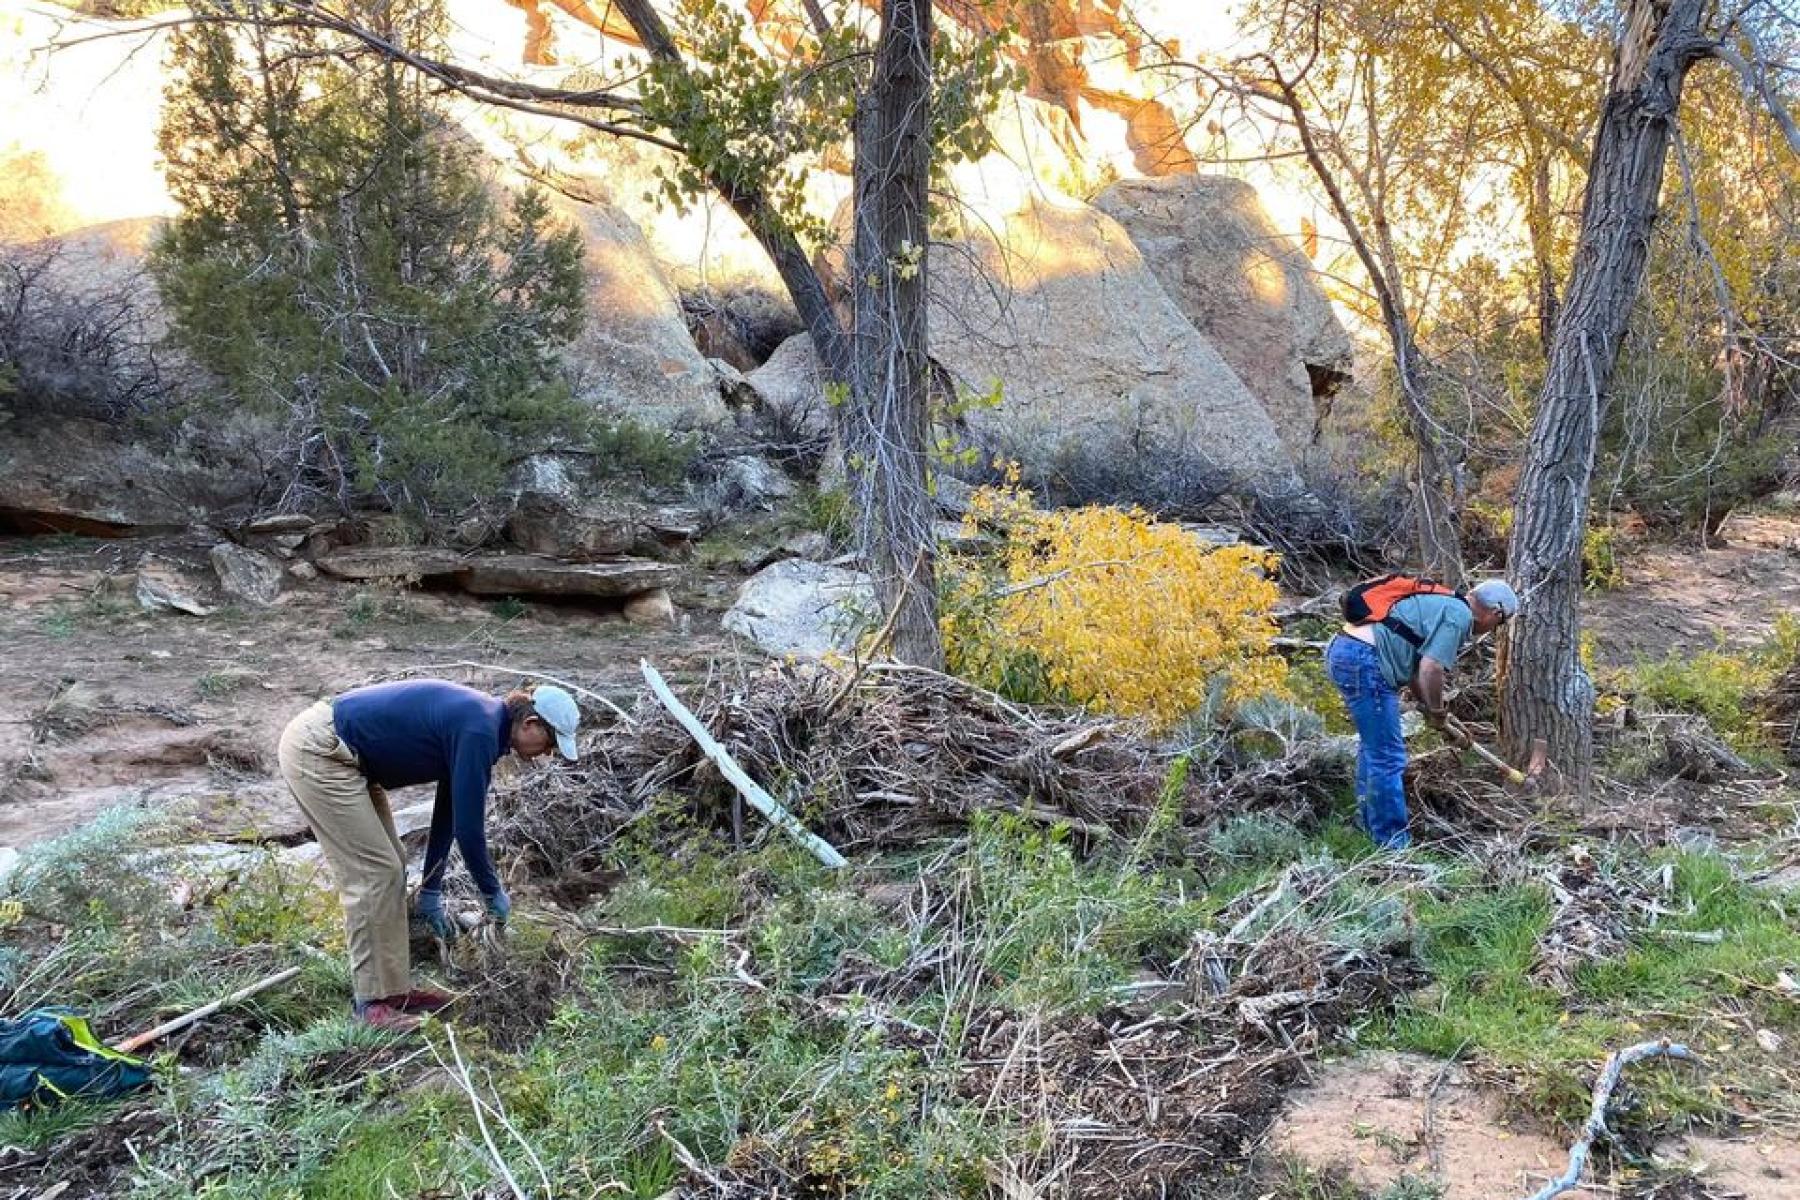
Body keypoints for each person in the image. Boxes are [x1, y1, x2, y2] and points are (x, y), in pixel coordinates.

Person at [276, 680, 580, 1031]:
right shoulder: (479, 729)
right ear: (530, 725)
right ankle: (371, 1007)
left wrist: (432, 891)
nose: (548, 754)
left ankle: (394, 992)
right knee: (375, 871)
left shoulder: (484, 725)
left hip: (348, 758)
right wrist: (492, 892)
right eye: (551, 744)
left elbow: (449, 809)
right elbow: (469, 831)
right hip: (321, 752)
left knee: (392, 864)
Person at [1325, 579, 1518, 850]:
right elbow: (1431, 668)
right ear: (1495, 613)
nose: (1490, 630)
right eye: (1498, 624)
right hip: (1365, 661)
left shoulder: (1445, 605)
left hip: (1348, 652)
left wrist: (1431, 709)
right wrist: (1437, 711)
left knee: (1375, 750)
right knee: (1388, 756)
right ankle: (1392, 844)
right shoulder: (1459, 615)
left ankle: (1367, 826)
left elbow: (1415, 669)